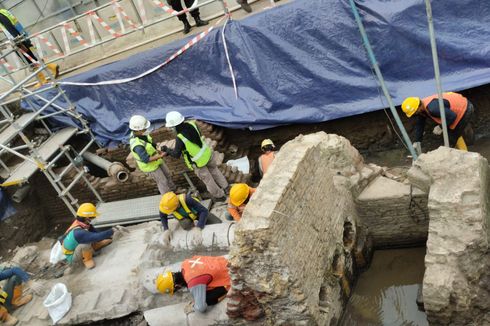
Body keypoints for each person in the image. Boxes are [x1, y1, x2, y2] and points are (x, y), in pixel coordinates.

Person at [162, 111, 229, 201]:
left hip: (197, 162)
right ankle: (227, 188)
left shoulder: (180, 138)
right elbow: (196, 137)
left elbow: (176, 154)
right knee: (215, 171)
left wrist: (167, 150)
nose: (171, 129)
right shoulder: (192, 124)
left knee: (209, 181)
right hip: (207, 154)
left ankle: (220, 196)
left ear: (174, 126)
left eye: (171, 127)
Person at [0, 9, 59, 87]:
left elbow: (11, 28)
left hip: (19, 40)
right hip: (23, 36)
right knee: (34, 57)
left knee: (29, 61)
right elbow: (12, 25)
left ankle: (43, 79)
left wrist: (19, 44)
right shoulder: (3, 11)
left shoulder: (1, 16)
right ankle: (52, 67)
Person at [402, 92, 474, 153]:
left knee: (451, 137)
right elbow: (420, 124)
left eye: (414, 112)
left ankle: (464, 155)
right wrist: (417, 141)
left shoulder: (433, 108)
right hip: (456, 108)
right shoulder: (422, 108)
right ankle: (462, 152)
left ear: (418, 107)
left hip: (464, 108)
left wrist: (440, 127)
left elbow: (452, 116)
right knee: (453, 132)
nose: (414, 114)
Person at [155, 255, 230, 313]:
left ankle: (228, 289)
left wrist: (194, 306)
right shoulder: (186, 263)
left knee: (207, 300)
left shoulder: (193, 282)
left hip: (230, 276)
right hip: (225, 262)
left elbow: (201, 308)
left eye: (176, 290)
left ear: (177, 286)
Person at [129, 115, 176, 195]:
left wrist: (158, 149)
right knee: (162, 181)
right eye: (145, 128)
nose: (147, 129)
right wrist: (161, 155)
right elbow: (146, 159)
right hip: (150, 167)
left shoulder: (142, 135)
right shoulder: (137, 145)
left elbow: (150, 143)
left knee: (167, 175)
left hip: (157, 160)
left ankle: (174, 191)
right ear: (139, 130)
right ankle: (168, 198)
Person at [60, 203, 114, 269]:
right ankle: (87, 260)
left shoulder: (82, 224)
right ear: (87, 218)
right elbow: (96, 237)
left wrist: (106, 236)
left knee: (90, 236)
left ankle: (94, 247)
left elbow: (95, 233)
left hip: (76, 246)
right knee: (85, 244)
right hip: (72, 256)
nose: (94, 218)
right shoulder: (79, 232)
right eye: (93, 217)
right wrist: (112, 231)